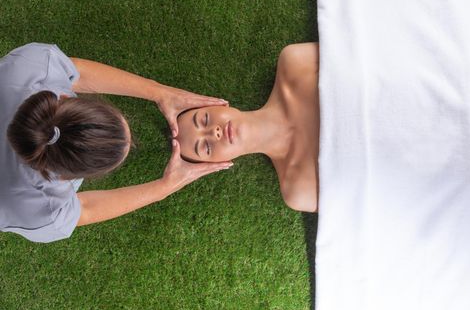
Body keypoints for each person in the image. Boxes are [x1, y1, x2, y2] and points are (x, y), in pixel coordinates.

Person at [1, 42, 232, 243]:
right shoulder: (40, 208)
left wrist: (161, 93)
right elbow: (86, 210)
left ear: (62, 99)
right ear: (66, 177)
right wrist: (163, 187)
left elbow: (79, 72)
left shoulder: (30, 70)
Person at [176, 43, 319, 212]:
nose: (214, 132)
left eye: (205, 120)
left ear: (217, 104)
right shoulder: (297, 190)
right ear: (220, 164)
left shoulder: (294, 64)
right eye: (206, 147)